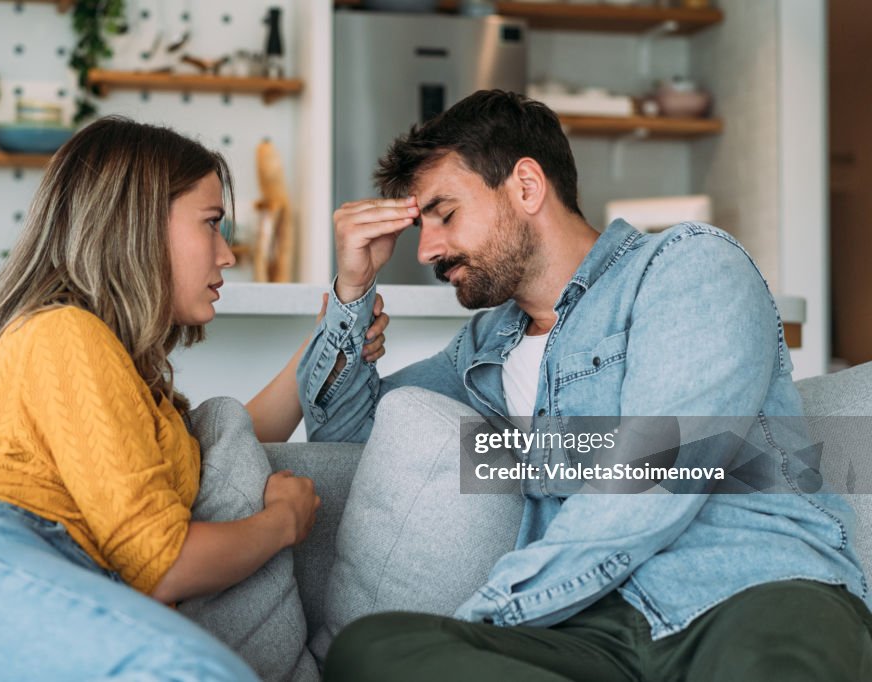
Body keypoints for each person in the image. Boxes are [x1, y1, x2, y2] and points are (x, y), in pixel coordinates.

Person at [296, 90, 872, 680]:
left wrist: (490, 618)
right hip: (597, 628)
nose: (427, 251)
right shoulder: (484, 349)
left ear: (525, 186)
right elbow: (346, 433)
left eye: (444, 213)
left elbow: (653, 471)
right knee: (374, 649)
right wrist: (351, 290)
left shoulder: (687, 266)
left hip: (748, 592)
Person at [0, 116, 389, 681]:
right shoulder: (63, 332)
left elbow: (235, 438)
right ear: (137, 226)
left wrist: (339, 318)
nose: (227, 255)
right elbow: (162, 565)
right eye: (211, 224)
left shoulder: (136, 392)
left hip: (9, 581)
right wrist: (281, 523)